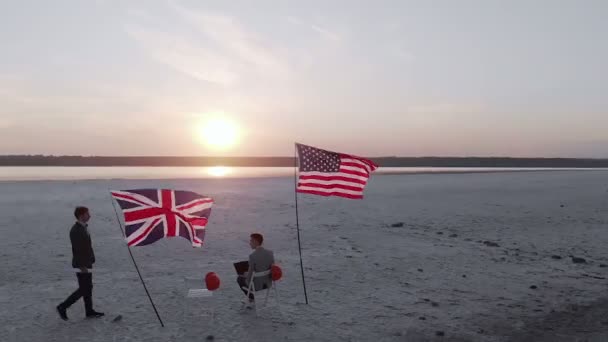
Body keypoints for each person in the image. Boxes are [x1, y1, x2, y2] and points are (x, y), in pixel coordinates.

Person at [56, 206, 104, 320]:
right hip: (81, 264)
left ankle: (89, 311)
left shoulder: (83, 228)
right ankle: (63, 306)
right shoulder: (76, 230)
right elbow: (78, 249)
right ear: (81, 215)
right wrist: (82, 266)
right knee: (84, 288)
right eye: (87, 214)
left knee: (88, 287)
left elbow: (86, 247)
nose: (90, 216)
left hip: (86, 262)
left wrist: (91, 259)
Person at [237, 233, 274, 306]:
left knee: (239, 278)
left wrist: (245, 275)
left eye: (251, 241)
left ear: (256, 242)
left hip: (257, 286)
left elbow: (248, 280)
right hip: (267, 283)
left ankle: (251, 298)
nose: (249, 243)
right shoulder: (270, 253)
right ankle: (251, 298)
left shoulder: (252, 256)